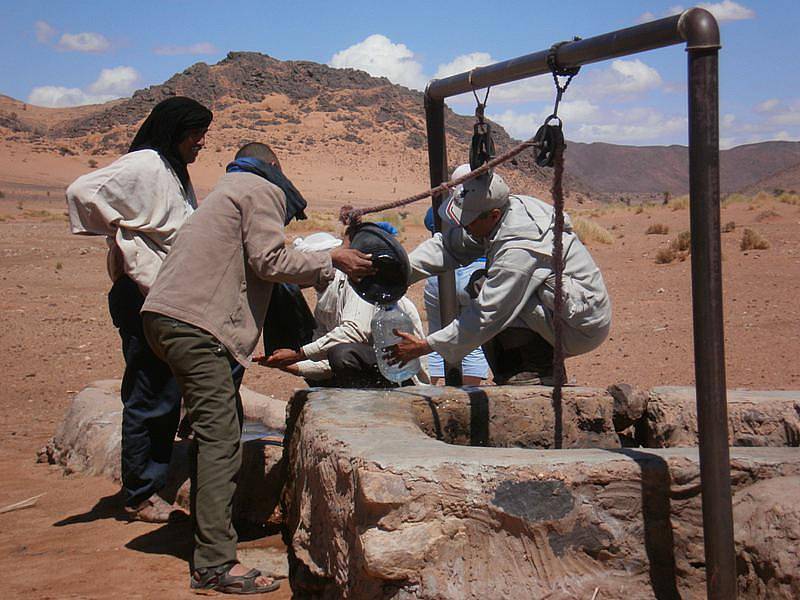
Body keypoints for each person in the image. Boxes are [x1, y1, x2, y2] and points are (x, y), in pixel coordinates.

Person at [141, 142, 374, 594]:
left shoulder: (228, 189)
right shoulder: (260, 188)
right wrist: (332, 260)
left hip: (166, 318)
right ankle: (213, 565)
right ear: (274, 167)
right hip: (197, 326)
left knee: (213, 427)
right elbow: (269, 260)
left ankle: (210, 531)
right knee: (222, 439)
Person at [65, 96, 213, 522]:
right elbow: (81, 190)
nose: (200, 142)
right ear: (174, 131)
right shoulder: (146, 163)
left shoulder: (170, 169)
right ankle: (141, 494)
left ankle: (147, 484)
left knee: (165, 387)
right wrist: (123, 231)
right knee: (151, 391)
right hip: (142, 295)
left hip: (165, 295)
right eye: (194, 133)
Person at [386, 171, 611, 385]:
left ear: (493, 215)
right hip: (561, 309)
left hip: (579, 326)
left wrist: (426, 346)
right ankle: (524, 367)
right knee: (480, 284)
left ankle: (535, 370)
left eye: (469, 221)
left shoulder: (518, 248)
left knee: (484, 289)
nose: (465, 227)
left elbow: (488, 314)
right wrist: (399, 271)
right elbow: (450, 245)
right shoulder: (505, 211)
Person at [262, 229, 429, 387]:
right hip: (376, 362)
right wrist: (294, 366)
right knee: (332, 352)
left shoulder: (356, 282)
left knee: (341, 354)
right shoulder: (324, 301)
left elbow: (353, 332)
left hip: (401, 372)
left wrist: (299, 354)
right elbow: (324, 358)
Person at [422, 163, 489, 386]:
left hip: (438, 276)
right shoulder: (483, 206)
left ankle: (439, 393)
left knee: (437, 334)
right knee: (472, 339)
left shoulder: (438, 210)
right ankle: (465, 398)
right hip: (473, 272)